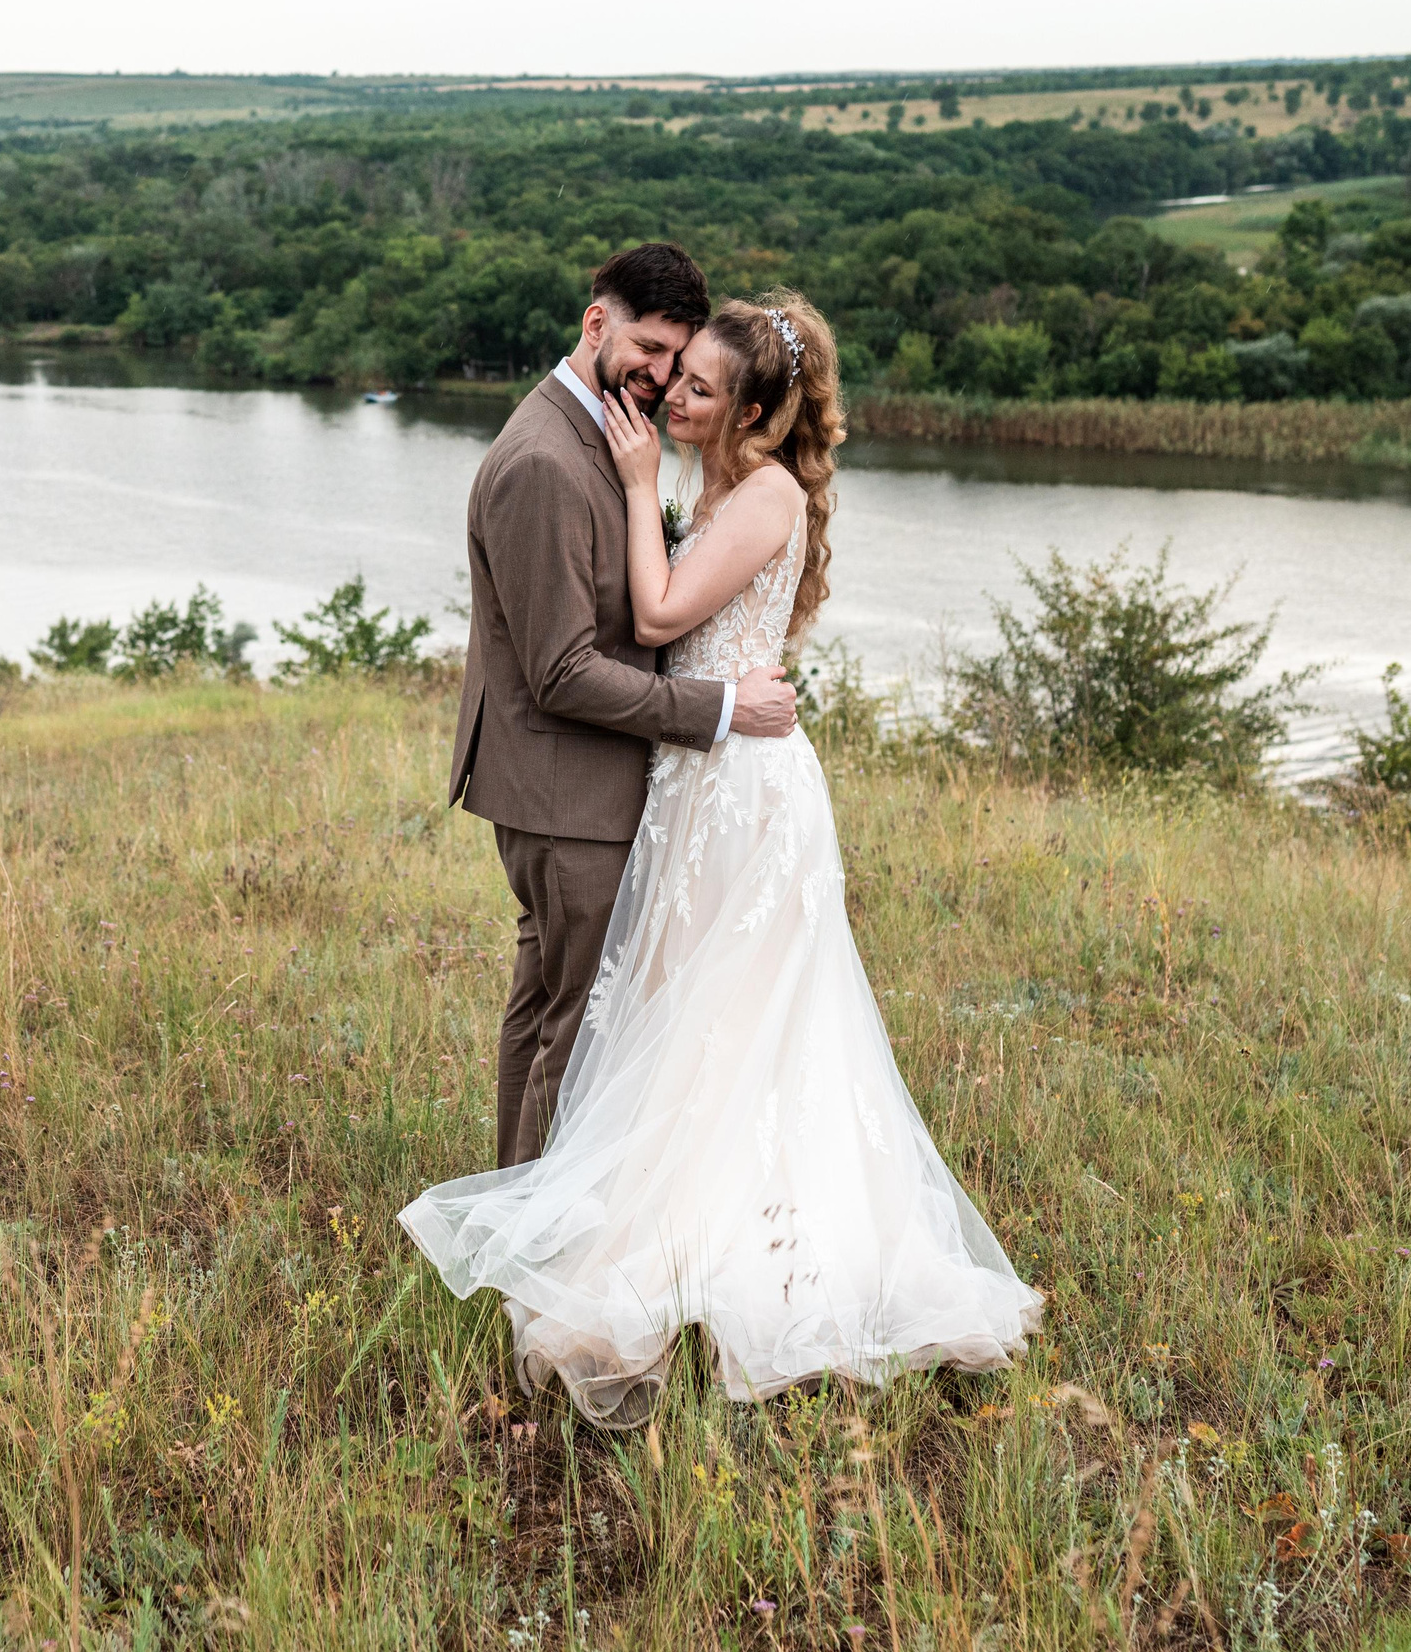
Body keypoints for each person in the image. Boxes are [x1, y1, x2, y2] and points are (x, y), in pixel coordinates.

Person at [404, 287, 1042, 1428]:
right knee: (676, 1016)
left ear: (751, 404)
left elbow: (653, 618)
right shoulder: (711, 479)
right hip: (696, 776)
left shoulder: (763, 493)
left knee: (738, 1020)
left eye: (695, 381)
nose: (670, 391)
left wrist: (644, 487)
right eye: (670, 367)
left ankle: (761, 1258)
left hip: (743, 793)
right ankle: (632, 1214)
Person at [443, 242, 801, 1172]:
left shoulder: (605, 427)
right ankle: (541, 1250)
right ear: (595, 321)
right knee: (578, 1031)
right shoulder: (543, 462)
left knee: (553, 1016)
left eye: (676, 360)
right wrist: (719, 708)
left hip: (587, 791)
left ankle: (517, 1218)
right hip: (565, 794)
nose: (658, 375)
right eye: (646, 347)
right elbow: (561, 671)